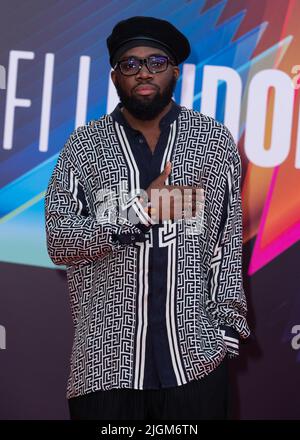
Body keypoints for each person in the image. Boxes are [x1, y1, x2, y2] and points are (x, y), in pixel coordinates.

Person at [45, 16, 250, 420]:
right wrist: (139, 210)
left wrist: (224, 332)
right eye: (130, 63)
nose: (143, 72)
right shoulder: (84, 147)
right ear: (115, 75)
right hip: (105, 369)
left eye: (156, 62)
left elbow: (226, 243)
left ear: (174, 70)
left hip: (195, 364)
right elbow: (59, 241)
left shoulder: (211, 141)